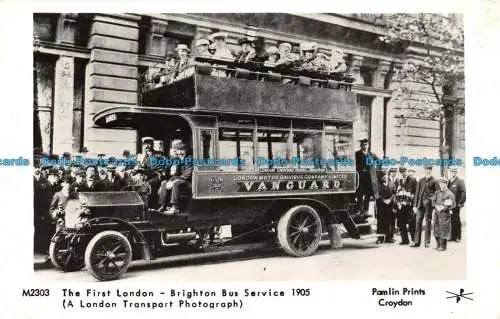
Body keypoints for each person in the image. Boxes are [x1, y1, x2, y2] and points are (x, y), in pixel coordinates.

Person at [158, 140, 193, 215]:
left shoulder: (190, 159)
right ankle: (163, 205)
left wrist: (173, 181)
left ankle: (175, 208)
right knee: (164, 182)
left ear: (186, 150)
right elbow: (175, 174)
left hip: (189, 182)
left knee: (175, 183)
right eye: (178, 150)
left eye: (182, 150)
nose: (180, 153)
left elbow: (186, 175)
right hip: (180, 180)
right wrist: (170, 180)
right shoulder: (177, 159)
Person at [411, 166, 439, 248]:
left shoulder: (434, 181)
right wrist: (415, 205)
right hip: (420, 205)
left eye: (429, 170)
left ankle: (427, 242)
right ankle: (416, 242)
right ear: (424, 170)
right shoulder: (421, 180)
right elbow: (417, 193)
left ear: (431, 170)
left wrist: (430, 200)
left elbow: (436, 194)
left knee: (428, 223)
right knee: (418, 222)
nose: (427, 171)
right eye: (426, 170)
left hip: (428, 206)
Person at [354, 138, 380, 219]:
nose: (365, 146)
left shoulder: (371, 154)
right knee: (360, 194)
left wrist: (375, 168)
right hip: (360, 177)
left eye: (366, 145)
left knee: (368, 195)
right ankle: (359, 210)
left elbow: (379, 161)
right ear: (361, 146)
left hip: (369, 178)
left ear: (368, 146)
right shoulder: (357, 154)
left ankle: (366, 210)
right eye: (363, 145)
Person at [395, 166, 417, 245]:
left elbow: (416, 194)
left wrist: (414, 205)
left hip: (409, 206)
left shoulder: (413, 180)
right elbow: (396, 192)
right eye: (401, 172)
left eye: (404, 172)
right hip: (401, 206)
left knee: (411, 224)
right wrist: (398, 202)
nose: (403, 173)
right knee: (401, 224)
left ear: (406, 172)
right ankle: (405, 240)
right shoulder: (398, 181)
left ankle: (414, 240)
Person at [432, 177, 456, 251]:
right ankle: (438, 244)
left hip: (444, 214)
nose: (441, 185)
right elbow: (433, 201)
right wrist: (435, 205)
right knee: (436, 228)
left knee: (443, 229)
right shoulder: (437, 192)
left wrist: (444, 208)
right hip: (436, 213)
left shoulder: (449, 193)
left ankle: (443, 246)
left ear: (446, 184)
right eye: (440, 183)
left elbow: (453, 204)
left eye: (443, 183)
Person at [447, 167, 466, 242]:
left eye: (454, 172)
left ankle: (458, 236)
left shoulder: (460, 181)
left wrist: (460, 203)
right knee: (451, 219)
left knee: (456, 219)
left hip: (456, 204)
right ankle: (452, 236)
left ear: (456, 172)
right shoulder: (449, 181)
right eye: (451, 172)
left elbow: (464, 193)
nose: (452, 173)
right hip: (450, 204)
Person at [376, 174, 395, 243]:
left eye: (386, 176)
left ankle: (388, 238)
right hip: (381, 206)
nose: (385, 177)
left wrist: (390, 200)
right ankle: (380, 238)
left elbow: (393, 193)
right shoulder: (378, 185)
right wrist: (384, 200)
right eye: (383, 176)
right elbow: (377, 194)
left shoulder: (391, 184)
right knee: (380, 222)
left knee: (388, 222)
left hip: (389, 206)